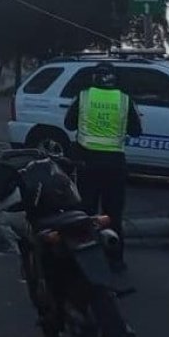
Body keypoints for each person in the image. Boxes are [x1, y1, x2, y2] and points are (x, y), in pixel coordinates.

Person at [63, 63, 141, 272]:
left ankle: (83, 258)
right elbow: (136, 130)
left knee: (85, 212)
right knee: (112, 214)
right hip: (114, 164)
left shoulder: (84, 97)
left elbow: (69, 124)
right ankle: (115, 260)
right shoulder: (124, 100)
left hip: (87, 162)